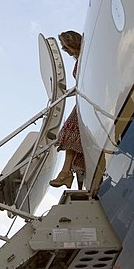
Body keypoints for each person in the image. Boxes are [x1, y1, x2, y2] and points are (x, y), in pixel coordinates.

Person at [49, 30, 86, 189]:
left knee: (70, 131)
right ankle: (66, 173)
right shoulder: (81, 59)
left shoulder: (87, 55)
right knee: (72, 133)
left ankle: (66, 173)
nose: (66, 51)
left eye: (66, 47)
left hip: (86, 101)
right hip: (84, 99)